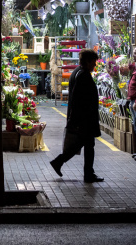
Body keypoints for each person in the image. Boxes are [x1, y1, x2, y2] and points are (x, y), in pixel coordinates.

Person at [49, 48, 104, 183]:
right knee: (87, 145)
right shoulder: (83, 75)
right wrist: (79, 119)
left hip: (81, 118)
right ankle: (87, 174)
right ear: (88, 61)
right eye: (94, 62)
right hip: (84, 119)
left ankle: (60, 162)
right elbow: (81, 100)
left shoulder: (77, 72)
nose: (95, 65)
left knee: (82, 144)